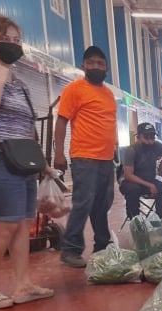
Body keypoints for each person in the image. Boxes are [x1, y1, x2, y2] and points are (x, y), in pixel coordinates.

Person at [0, 15, 57, 308]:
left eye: (18, 40)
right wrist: (0, 77)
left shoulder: (20, 83)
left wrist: (42, 163)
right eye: (7, 39)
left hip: (21, 161)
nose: (14, 45)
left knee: (23, 224)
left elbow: (27, 127)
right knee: (3, 225)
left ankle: (23, 285)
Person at [53, 45, 117, 268]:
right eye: (91, 63)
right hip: (84, 157)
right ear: (83, 66)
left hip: (106, 158)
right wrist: (58, 152)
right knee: (83, 202)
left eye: (100, 63)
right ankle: (70, 249)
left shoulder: (109, 94)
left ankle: (102, 245)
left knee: (103, 203)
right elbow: (61, 121)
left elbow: (108, 123)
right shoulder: (75, 89)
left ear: (106, 68)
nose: (96, 66)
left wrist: (115, 147)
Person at [119, 122, 162, 219]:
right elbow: (128, 175)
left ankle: (160, 220)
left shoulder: (156, 145)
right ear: (138, 137)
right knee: (133, 190)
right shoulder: (131, 151)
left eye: (152, 137)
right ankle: (135, 221)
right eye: (146, 137)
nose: (150, 141)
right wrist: (149, 185)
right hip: (131, 182)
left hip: (149, 180)